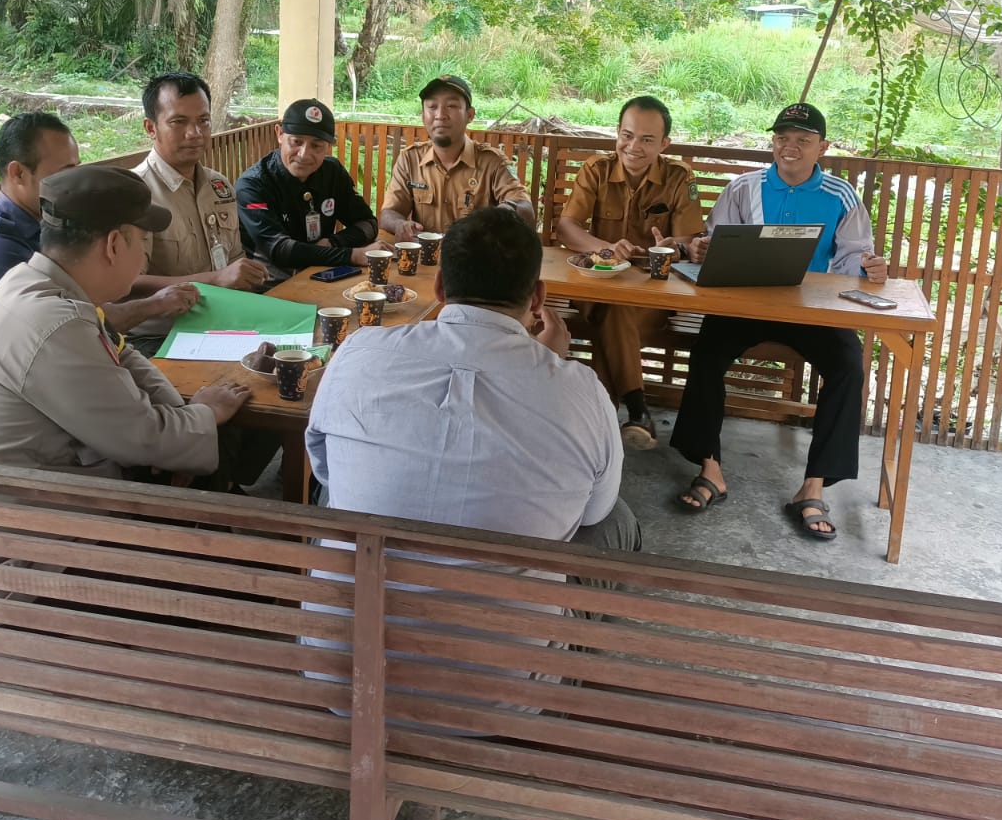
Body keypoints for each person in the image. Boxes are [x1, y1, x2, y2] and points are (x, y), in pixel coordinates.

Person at [308, 204, 639, 555]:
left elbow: (324, 468)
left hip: (350, 600)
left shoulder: (358, 350)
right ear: (538, 297)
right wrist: (551, 366)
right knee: (616, 517)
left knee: (344, 488)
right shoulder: (583, 389)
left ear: (439, 287)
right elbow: (593, 512)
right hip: (505, 609)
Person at [0, 164, 250, 479]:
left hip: (25, 497)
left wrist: (182, 411)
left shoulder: (32, 280)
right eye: (141, 242)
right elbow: (145, 439)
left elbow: (122, 354)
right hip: (18, 519)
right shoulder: (55, 322)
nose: (142, 255)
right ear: (113, 246)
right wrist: (205, 412)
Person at [669, 101, 889, 540]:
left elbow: (851, 258)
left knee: (848, 364)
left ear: (821, 147)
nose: (790, 148)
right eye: (782, 138)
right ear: (772, 142)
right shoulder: (743, 188)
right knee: (707, 350)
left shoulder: (840, 196)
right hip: (746, 305)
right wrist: (700, 249)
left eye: (803, 141)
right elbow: (713, 243)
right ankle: (711, 468)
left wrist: (870, 269)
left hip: (812, 312)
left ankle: (812, 487)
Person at [0, 112, 193, 374]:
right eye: (66, 171)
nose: (75, 179)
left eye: (78, 167)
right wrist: (155, 304)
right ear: (18, 173)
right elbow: (76, 323)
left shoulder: (53, 223)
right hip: (4, 387)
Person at [555, 96, 705, 451]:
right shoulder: (597, 170)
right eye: (627, 135)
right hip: (595, 285)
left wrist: (672, 246)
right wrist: (603, 250)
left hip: (652, 297)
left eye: (647, 139)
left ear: (665, 144)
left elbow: (689, 241)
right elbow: (566, 228)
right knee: (613, 304)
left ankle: (602, 420)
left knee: (617, 310)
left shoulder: (680, 178)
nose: (633, 146)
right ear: (617, 134)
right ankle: (637, 411)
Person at [128, 72, 268, 353]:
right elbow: (128, 283)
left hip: (223, 323)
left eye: (203, 121)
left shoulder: (219, 186)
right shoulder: (135, 194)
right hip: (160, 338)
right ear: (151, 128)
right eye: (179, 122)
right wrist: (215, 280)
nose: (195, 133)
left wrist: (248, 274)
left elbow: (233, 258)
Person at [236, 98, 384, 283]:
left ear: (328, 146)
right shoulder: (253, 184)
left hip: (326, 275)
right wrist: (352, 255)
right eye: (296, 141)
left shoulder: (332, 172)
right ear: (279, 134)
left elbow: (368, 224)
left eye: (316, 145)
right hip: (271, 287)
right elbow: (280, 249)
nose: (304, 154)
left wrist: (333, 243)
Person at [378, 74, 533, 237]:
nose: (440, 115)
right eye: (432, 107)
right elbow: (389, 213)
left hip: (474, 258)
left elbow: (526, 209)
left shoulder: (492, 162)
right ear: (423, 116)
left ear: (470, 115)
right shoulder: (410, 159)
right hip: (425, 259)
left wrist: (507, 209)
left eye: (451, 106)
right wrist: (400, 224)